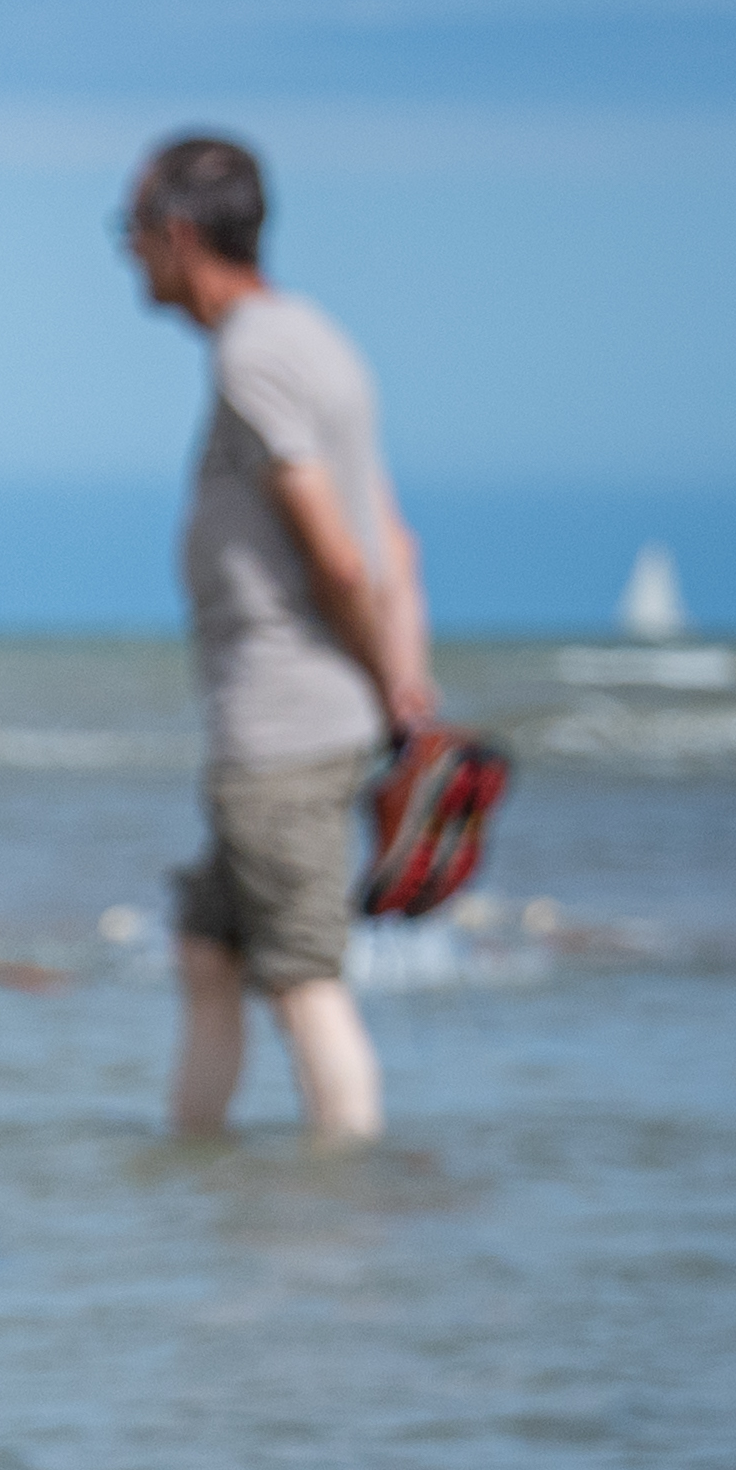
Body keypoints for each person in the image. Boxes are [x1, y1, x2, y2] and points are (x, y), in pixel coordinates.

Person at [124, 132, 436, 1141]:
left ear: (178, 234)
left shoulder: (256, 355)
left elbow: (341, 556)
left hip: (283, 727)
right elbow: (396, 540)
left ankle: (348, 1204)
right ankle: (194, 1162)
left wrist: (394, 691)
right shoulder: (318, 337)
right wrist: (406, 686)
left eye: (131, 233)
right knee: (210, 952)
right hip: (300, 719)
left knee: (305, 978)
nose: (128, 257)